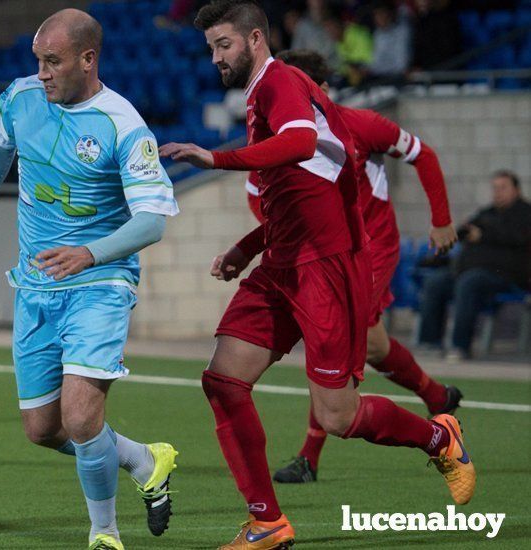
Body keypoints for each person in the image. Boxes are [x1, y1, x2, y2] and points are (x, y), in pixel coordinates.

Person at [159, 2, 474, 548]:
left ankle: (437, 436)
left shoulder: (279, 83)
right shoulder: (268, 94)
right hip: (284, 263)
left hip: (328, 270)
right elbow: (299, 193)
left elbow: (302, 143)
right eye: (210, 47)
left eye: (224, 45)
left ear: (256, 39)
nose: (215, 58)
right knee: (223, 382)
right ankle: (267, 523)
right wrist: (246, 247)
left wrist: (215, 159)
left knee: (338, 417)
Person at [0, 9, 179, 549]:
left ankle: (104, 533)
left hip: (99, 284)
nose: (43, 72)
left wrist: (91, 254)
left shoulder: (122, 124)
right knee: (43, 429)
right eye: (39, 61)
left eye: (53, 62)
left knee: (80, 417)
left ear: (87, 59)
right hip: (35, 286)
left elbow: (151, 221)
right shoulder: (21, 97)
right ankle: (146, 460)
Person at [259, 49, 463, 484]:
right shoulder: (282, 131)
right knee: (371, 344)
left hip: (370, 252)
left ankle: (309, 457)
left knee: (335, 347)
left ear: (324, 91)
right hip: (324, 255)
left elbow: (422, 155)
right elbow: (256, 192)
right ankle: (437, 395)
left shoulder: (363, 124)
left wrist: (442, 219)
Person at [419, 170, 531, 360]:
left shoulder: (525, 213)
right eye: (495, 188)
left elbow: (516, 237)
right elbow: (466, 230)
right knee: (436, 282)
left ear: (516, 190)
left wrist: (483, 235)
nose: (498, 192)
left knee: (469, 282)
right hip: (472, 270)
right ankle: (430, 343)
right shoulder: (487, 212)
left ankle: (460, 346)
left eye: (503, 188)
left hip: (507, 275)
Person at [367, 1, 411, 81]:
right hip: (379, 78)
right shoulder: (378, 34)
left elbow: (401, 66)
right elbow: (375, 61)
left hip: (397, 79)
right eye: (376, 15)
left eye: (382, 14)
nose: (379, 18)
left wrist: (374, 70)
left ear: (391, 14)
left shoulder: (402, 32)